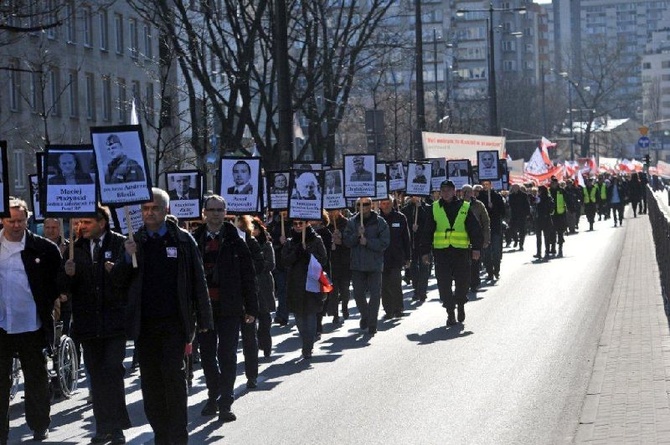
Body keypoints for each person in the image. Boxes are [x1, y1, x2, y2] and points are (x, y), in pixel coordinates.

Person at [111, 188, 213, 444]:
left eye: (154, 208)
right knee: (151, 382)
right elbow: (118, 282)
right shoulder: (135, 240)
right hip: (145, 326)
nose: (149, 213)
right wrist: (126, 256)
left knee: (174, 378)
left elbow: (198, 280)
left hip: (175, 324)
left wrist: (204, 319)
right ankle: (160, 432)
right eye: (145, 209)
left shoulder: (182, 240)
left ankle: (178, 434)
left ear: (166, 210)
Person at [58, 206, 130, 444]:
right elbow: (65, 290)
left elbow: (130, 280)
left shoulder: (119, 244)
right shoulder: (73, 249)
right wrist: (66, 275)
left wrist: (118, 270)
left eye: (87, 222)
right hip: (88, 324)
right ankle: (102, 427)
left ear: (102, 222)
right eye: (79, 223)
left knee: (112, 370)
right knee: (97, 376)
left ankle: (117, 427)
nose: (81, 227)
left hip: (114, 323)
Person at [190, 195, 257, 423]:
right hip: (204, 309)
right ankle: (213, 396)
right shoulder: (193, 239)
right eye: (212, 209)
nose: (216, 213)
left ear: (225, 212)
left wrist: (251, 307)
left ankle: (226, 402)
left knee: (227, 354)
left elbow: (248, 275)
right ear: (204, 212)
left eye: (220, 209)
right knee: (208, 356)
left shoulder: (236, 239)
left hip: (230, 307)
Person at [0, 198, 61, 444]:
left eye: (20, 221)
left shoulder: (44, 249)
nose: (16, 225)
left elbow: (56, 282)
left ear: (27, 220)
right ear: (2, 220)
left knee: (35, 377)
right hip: (2, 324)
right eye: (10, 220)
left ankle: (39, 423)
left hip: (32, 324)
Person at [418, 180, 483, 326]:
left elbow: (474, 229)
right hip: (442, 253)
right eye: (443, 190)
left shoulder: (464, 207)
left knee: (462, 282)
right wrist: (425, 251)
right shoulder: (434, 208)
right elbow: (427, 231)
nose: (445, 193)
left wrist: (476, 248)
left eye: (448, 190)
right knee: (444, 284)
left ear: (454, 191)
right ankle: (450, 312)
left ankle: (460, 304)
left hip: (461, 252)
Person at [343, 197, 390, 335]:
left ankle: (372, 323)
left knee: (375, 295)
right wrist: (357, 235)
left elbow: (384, 242)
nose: (363, 206)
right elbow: (347, 242)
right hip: (357, 265)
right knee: (358, 294)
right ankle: (365, 315)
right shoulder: (352, 222)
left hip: (374, 264)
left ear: (371, 205)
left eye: (366, 204)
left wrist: (368, 242)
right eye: (359, 204)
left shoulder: (380, 222)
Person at [281, 220, 328, 358]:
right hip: (295, 283)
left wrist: (308, 254)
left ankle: (308, 346)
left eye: (301, 223)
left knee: (310, 313)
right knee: (299, 316)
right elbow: (284, 261)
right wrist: (296, 252)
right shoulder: (289, 242)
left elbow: (323, 259)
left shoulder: (316, 239)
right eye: (295, 224)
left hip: (312, 282)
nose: (298, 226)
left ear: (307, 224)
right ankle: (305, 340)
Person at [379, 195, 411, 319]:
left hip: (396, 257)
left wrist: (408, 257)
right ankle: (388, 309)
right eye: (383, 203)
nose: (386, 206)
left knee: (396, 283)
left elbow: (406, 239)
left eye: (388, 203)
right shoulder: (376, 219)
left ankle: (398, 308)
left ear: (392, 204)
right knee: (384, 285)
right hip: (381, 258)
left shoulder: (400, 217)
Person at [250, 217, 275, 358]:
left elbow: (271, 264)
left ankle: (266, 346)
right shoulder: (244, 244)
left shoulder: (266, 245)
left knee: (265, 319)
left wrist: (256, 265)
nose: (253, 231)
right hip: (250, 285)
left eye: (255, 228)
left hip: (264, 284)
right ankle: (255, 346)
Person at [401, 196, 432, 301]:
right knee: (413, 267)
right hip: (411, 243)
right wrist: (411, 227)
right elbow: (403, 226)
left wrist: (421, 209)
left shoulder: (427, 208)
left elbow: (430, 222)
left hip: (424, 243)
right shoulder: (405, 210)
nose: (416, 198)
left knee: (424, 267)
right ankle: (416, 289)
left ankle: (422, 290)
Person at [461, 185, 490, 293]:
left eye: (468, 191)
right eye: (464, 192)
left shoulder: (479, 205)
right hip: (461, 238)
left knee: (475, 261)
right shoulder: (458, 205)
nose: (466, 194)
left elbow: (486, 222)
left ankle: (474, 283)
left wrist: (486, 238)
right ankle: (465, 283)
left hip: (476, 238)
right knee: (464, 263)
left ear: (472, 193)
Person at [327, 209, 351, 321]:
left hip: (344, 261)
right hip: (332, 261)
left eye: (334, 211)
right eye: (330, 211)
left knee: (344, 288)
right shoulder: (326, 224)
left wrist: (341, 240)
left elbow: (351, 241)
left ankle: (345, 307)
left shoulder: (346, 223)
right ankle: (335, 313)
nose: (332, 213)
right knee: (333, 289)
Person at [479, 180, 505, 280]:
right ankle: (489, 272)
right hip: (484, 229)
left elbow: (503, 212)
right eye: (484, 184)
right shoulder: (480, 197)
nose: (485, 186)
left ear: (491, 185)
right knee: (486, 252)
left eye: (487, 184)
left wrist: (493, 207)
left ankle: (496, 270)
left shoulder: (497, 197)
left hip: (495, 227)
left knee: (496, 251)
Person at [533, 185, 554, 260]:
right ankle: (546, 252)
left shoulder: (542, 198)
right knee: (546, 237)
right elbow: (551, 209)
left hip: (540, 219)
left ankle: (539, 253)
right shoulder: (548, 198)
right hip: (546, 219)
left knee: (540, 237)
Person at [507, 184, 530, 251]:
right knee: (512, 229)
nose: (515, 189)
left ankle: (521, 244)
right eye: (513, 188)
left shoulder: (524, 195)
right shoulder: (511, 196)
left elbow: (527, 204)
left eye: (516, 187)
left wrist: (528, 213)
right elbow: (510, 206)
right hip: (514, 215)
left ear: (518, 188)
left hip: (522, 215)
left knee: (522, 230)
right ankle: (516, 239)